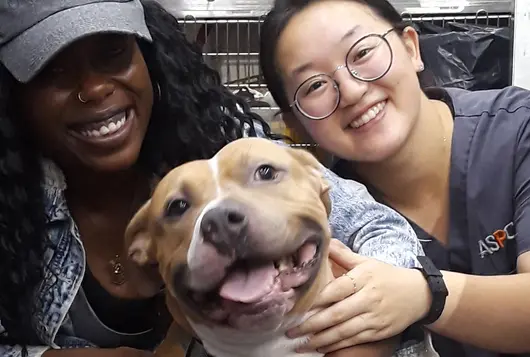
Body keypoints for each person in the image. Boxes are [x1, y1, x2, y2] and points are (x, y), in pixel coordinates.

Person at [0, 1, 427, 357]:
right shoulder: (13, 207)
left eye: (111, 54)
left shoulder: (226, 139)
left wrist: (371, 313)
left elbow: (377, 225)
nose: (93, 89)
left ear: (149, 62)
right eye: (52, 71)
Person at [259, 0, 530, 356]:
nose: (352, 91)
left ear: (411, 48)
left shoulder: (516, 129)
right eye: (314, 86)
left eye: (362, 52)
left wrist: (425, 295)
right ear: (294, 123)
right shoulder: (327, 215)